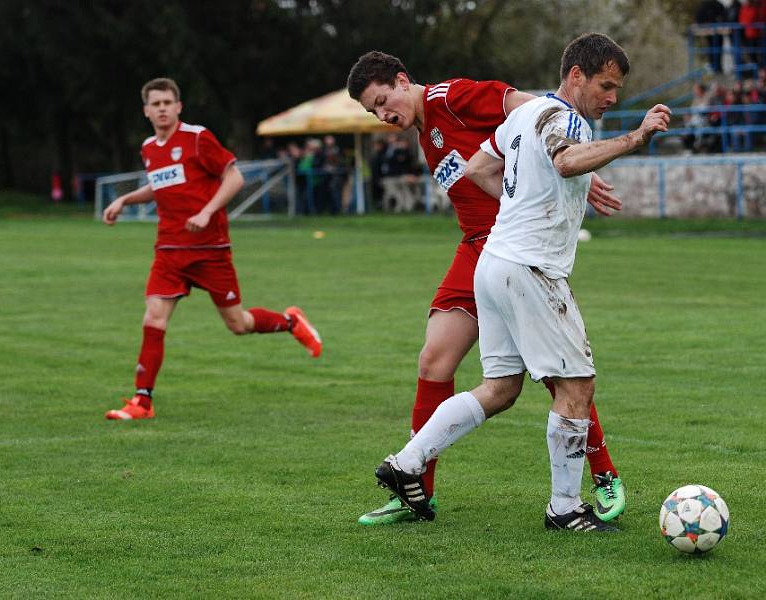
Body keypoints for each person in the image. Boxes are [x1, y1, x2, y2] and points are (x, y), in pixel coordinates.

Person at [373, 34, 670, 532]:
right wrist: (635, 138)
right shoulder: (565, 119)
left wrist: (517, 202)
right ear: (575, 76)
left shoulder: (519, 118)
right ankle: (566, 509)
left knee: (500, 387)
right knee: (576, 384)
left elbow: (479, 166)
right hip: (532, 267)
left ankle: (405, 462)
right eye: (606, 85)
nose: (612, 98)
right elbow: (566, 159)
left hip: (491, 262)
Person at [102, 78, 322, 420]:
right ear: (146, 111)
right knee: (153, 318)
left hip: (210, 249)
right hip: (169, 251)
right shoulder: (149, 148)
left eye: (167, 102)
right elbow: (160, 185)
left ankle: (290, 322)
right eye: (155, 104)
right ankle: (142, 402)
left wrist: (206, 212)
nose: (161, 108)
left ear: (178, 107)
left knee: (238, 323)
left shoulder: (197, 138)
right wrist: (125, 199)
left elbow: (233, 178)